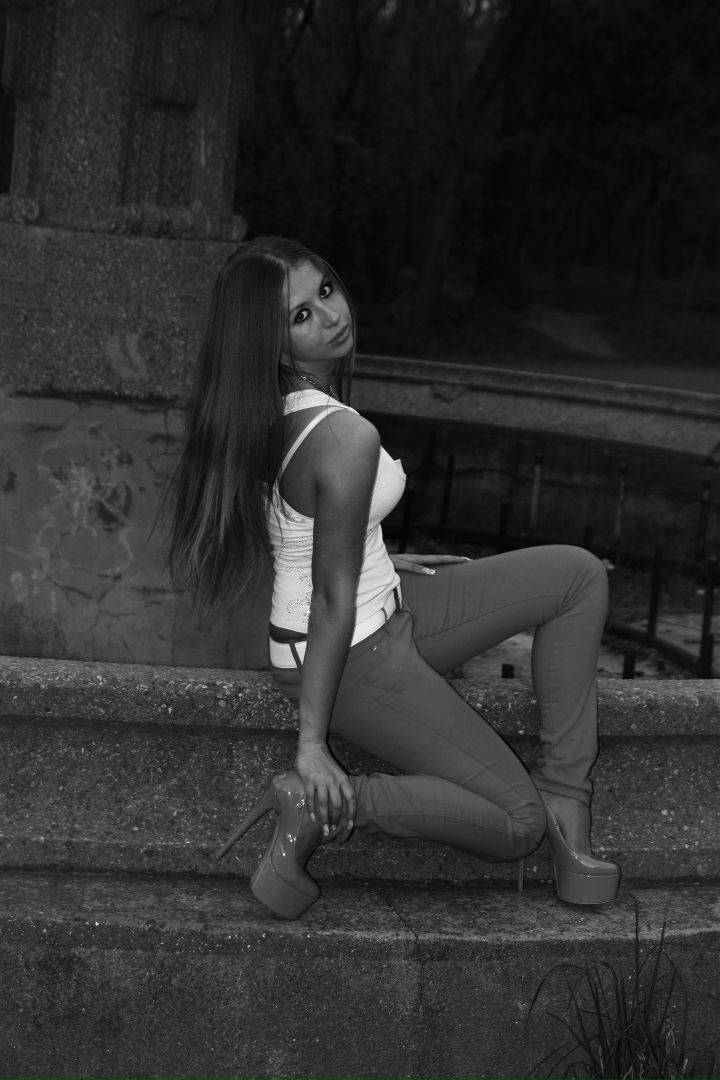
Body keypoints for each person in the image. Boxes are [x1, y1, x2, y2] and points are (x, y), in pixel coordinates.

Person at [167, 236, 620, 919]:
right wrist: (313, 747)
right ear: (272, 345)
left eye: (325, 290)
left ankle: (567, 798)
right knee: (515, 825)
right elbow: (329, 597)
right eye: (300, 316)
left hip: (386, 604)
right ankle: (324, 805)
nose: (331, 315)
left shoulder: (273, 410)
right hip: (346, 652)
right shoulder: (340, 436)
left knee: (577, 577)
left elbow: (294, 528)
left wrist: (370, 549)